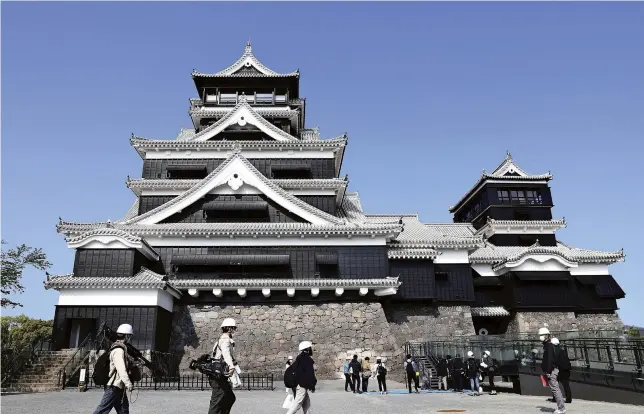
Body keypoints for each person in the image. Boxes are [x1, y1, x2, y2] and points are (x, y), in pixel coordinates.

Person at [93, 324, 134, 414]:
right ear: (126, 336)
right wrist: (128, 383)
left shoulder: (119, 348)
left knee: (123, 410)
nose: (130, 338)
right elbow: (121, 368)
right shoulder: (119, 350)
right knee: (102, 410)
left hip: (118, 386)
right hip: (113, 386)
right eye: (129, 336)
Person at [208, 318, 237, 414]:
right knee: (216, 402)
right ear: (229, 329)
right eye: (233, 328)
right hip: (218, 376)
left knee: (229, 398)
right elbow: (226, 353)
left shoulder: (221, 339)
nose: (234, 330)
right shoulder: (225, 340)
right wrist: (231, 366)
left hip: (218, 374)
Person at [540, 327, 566, 414]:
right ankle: (561, 407)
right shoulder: (549, 345)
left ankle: (561, 408)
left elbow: (550, 359)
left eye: (541, 335)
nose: (540, 337)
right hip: (552, 369)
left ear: (546, 335)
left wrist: (548, 371)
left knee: (555, 389)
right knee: (555, 388)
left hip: (551, 370)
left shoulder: (549, 346)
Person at [286, 341, 317, 414]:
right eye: (310, 348)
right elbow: (310, 374)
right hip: (302, 385)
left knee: (306, 404)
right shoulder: (307, 359)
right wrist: (312, 386)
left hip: (298, 384)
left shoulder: (299, 358)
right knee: (297, 404)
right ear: (308, 349)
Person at [552, 338, 572, 404]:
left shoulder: (554, 352)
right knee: (566, 385)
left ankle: (555, 398)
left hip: (559, 370)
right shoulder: (562, 351)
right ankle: (568, 399)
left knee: (555, 385)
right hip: (566, 370)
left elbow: (554, 361)